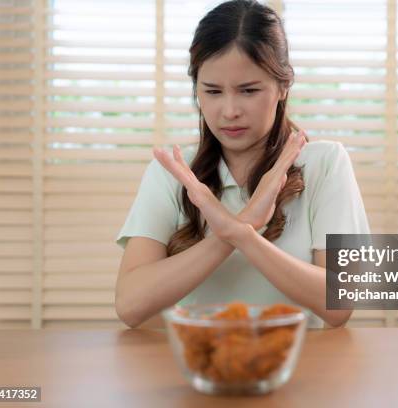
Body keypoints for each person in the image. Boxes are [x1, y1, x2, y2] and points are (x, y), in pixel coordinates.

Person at [114, 0, 370, 329]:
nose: (230, 110)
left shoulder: (324, 163)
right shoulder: (174, 171)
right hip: (201, 367)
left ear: (282, 86)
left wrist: (244, 236)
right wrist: (235, 231)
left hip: (299, 367)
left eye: (248, 90)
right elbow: (130, 305)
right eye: (213, 91)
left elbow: (339, 305)